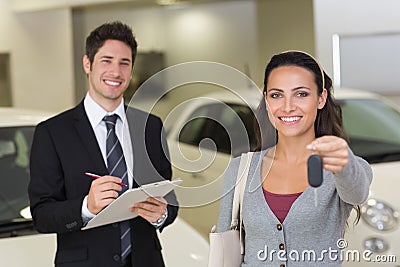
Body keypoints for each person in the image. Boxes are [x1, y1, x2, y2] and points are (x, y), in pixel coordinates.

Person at [28, 21, 178, 267]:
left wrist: (162, 214)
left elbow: (168, 195)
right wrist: (86, 206)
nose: (116, 72)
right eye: (106, 61)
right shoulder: (52, 133)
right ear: (87, 64)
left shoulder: (150, 126)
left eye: (124, 63)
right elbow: (42, 215)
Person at [217, 51, 372, 266]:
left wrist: (344, 161)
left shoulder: (341, 167)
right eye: (276, 95)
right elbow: (225, 248)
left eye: (301, 94)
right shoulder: (241, 168)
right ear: (266, 100)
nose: (288, 106)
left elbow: (357, 193)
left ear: (321, 98)